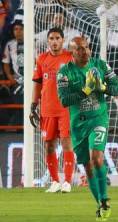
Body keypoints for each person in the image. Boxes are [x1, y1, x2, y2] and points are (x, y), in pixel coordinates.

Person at [57, 36, 118, 221]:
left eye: (86, 48)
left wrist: (103, 87)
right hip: (79, 124)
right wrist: (85, 91)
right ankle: (100, 204)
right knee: (88, 166)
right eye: (79, 49)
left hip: (98, 119)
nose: (84, 51)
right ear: (72, 52)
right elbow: (64, 100)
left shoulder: (100, 66)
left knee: (97, 157)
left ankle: (105, 199)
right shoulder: (64, 73)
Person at [30, 27, 75, 193]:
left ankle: (68, 181)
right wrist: (33, 105)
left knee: (66, 143)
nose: (54, 41)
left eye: (57, 38)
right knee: (49, 145)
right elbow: (37, 83)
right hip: (47, 110)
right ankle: (55, 181)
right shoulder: (41, 59)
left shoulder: (70, 58)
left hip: (66, 109)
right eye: (51, 38)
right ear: (47, 41)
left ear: (62, 40)